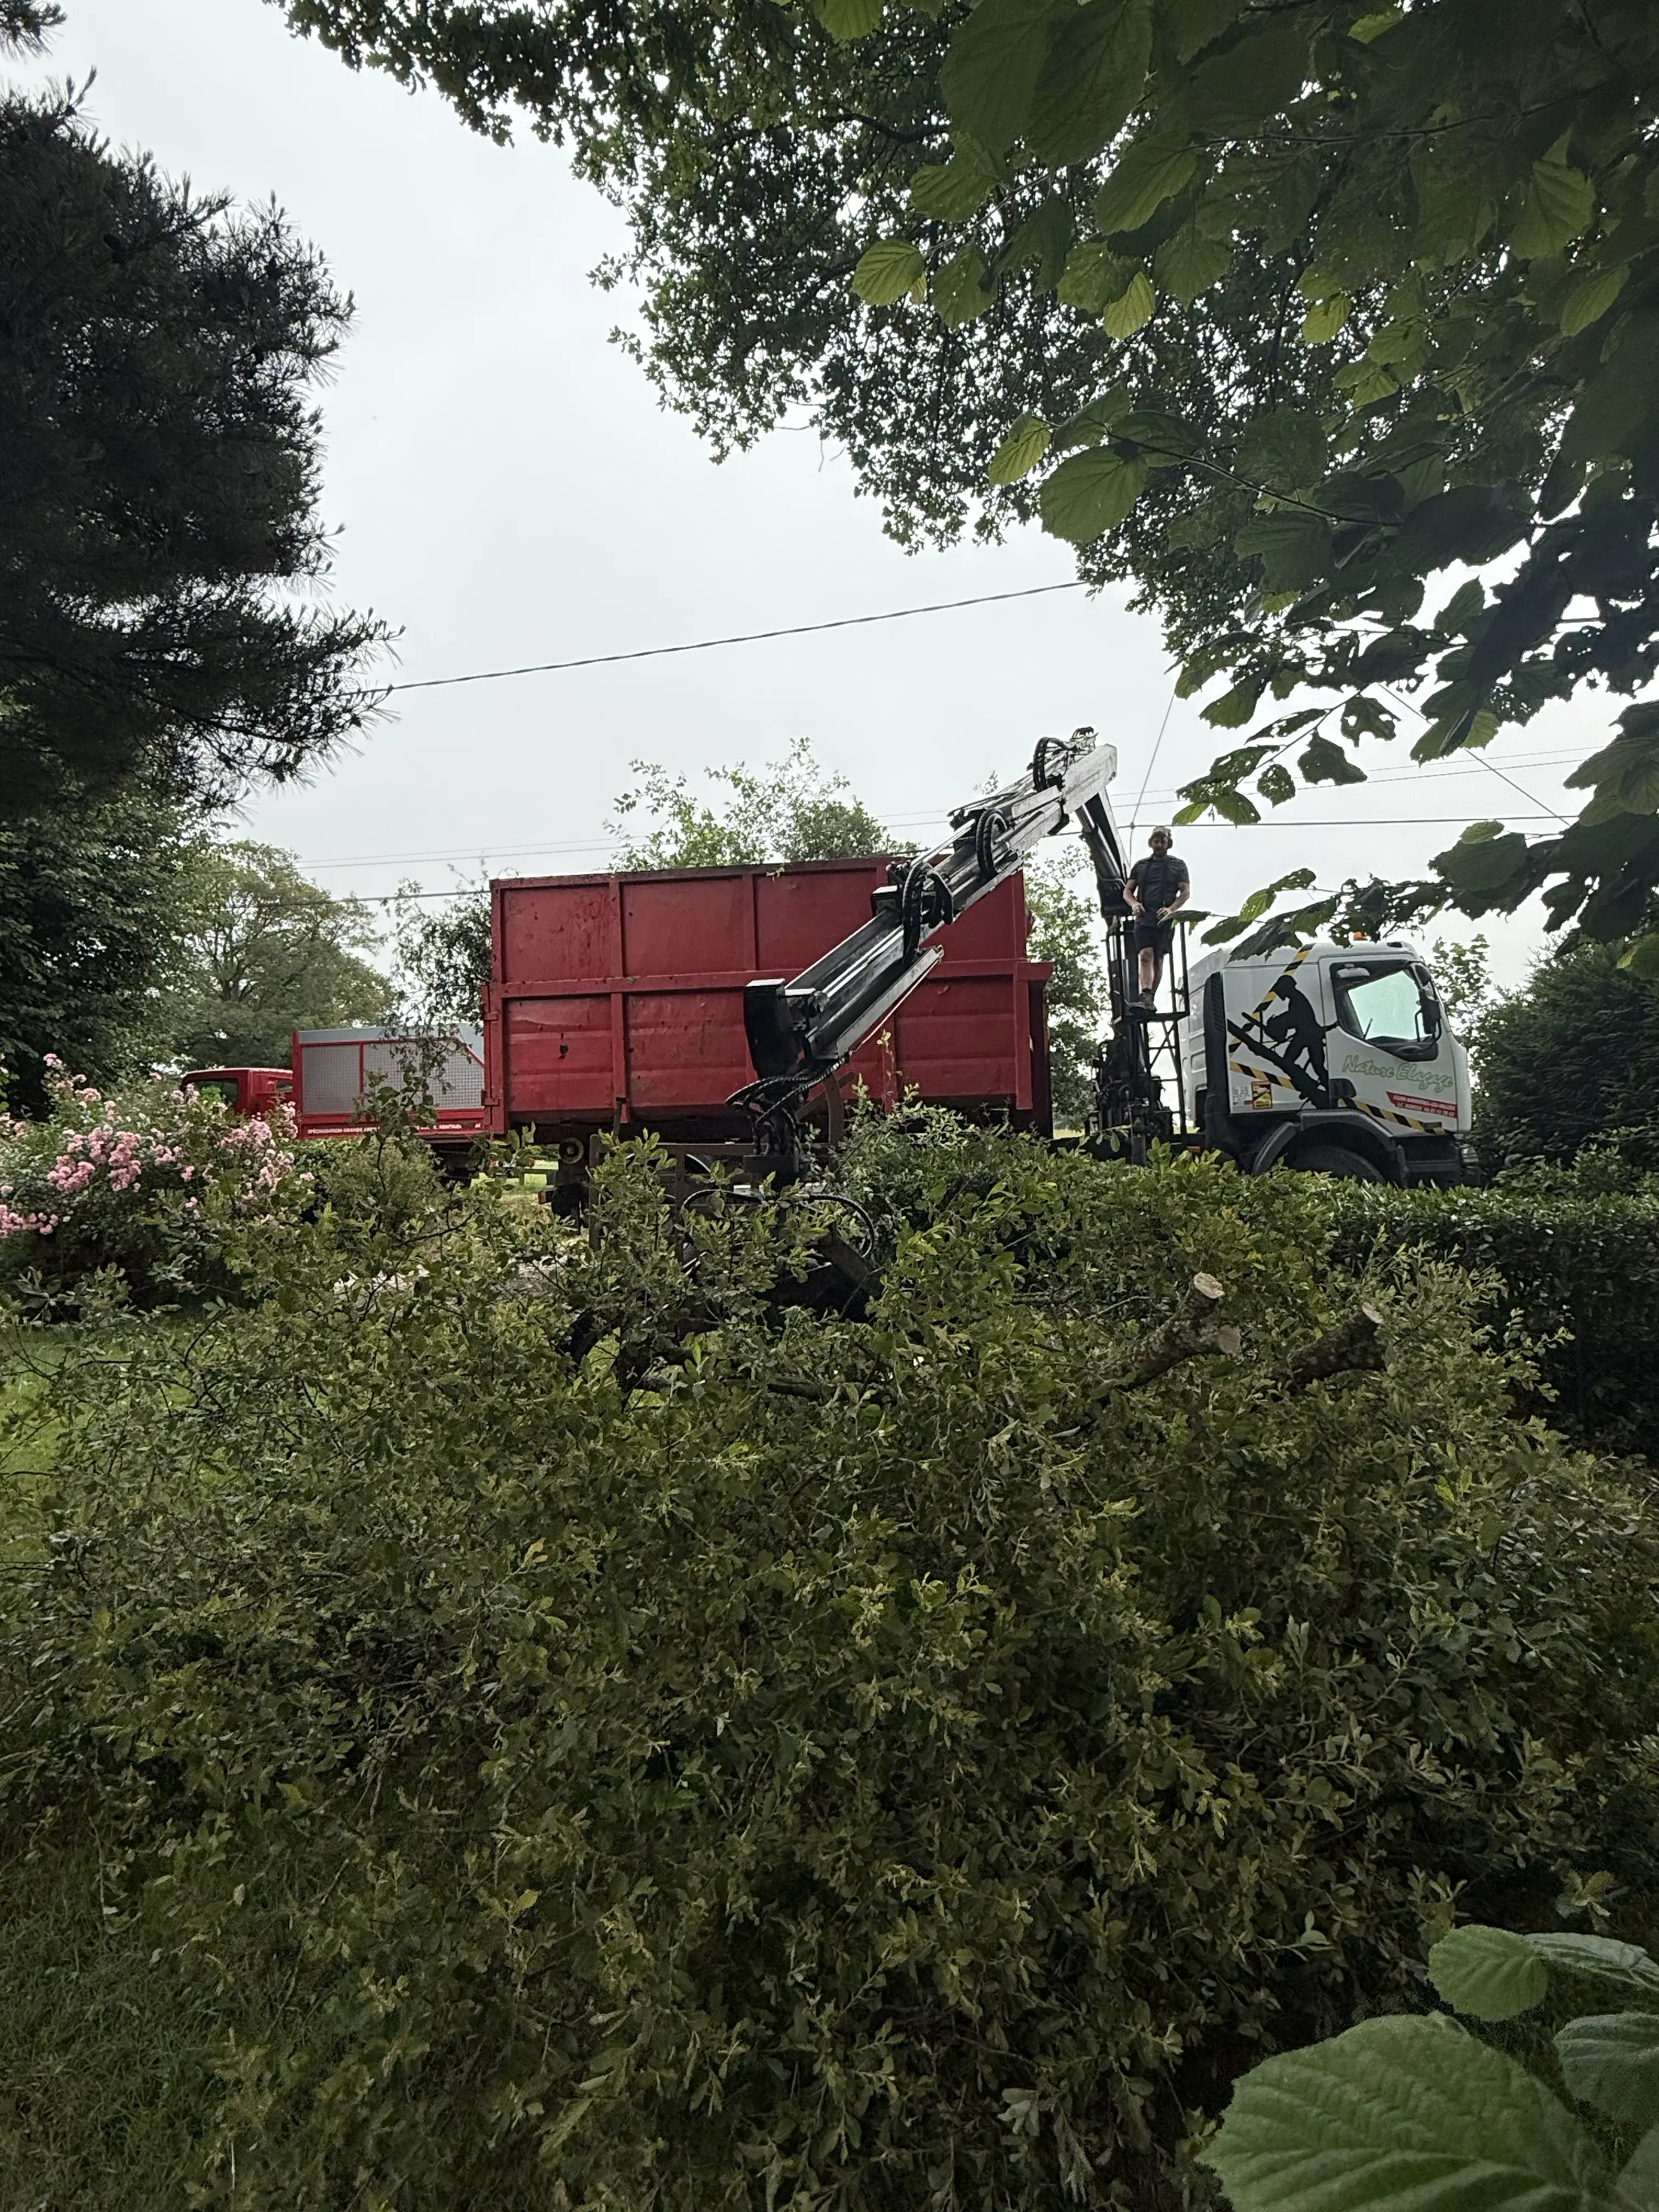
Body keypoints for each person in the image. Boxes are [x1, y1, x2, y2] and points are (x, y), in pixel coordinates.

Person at [1124, 827, 1190, 1007]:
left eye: (1163, 841)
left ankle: (1150, 996)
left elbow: (1185, 892)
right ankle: (1145, 995)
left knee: (1158, 957)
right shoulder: (1141, 866)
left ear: (1169, 843)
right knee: (1145, 955)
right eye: (1156, 841)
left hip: (1164, 920)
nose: (1159, 845)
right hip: (1144, 918)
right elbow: (1128, 891)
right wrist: (1134, 904)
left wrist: (1171, 909)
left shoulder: (1178, 865)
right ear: (1151, 843)